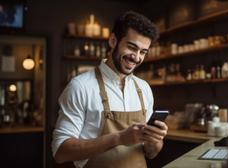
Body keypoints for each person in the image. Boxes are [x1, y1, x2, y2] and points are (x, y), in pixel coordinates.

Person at [52, 11, 168, 168]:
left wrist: (155, 140)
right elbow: (60, 152)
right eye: (132, 47)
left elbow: (152, 153)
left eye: (143, 52)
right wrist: (119, 138)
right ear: (113, 41)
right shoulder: (80, 86)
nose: (136, 57)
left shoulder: (144, 88)